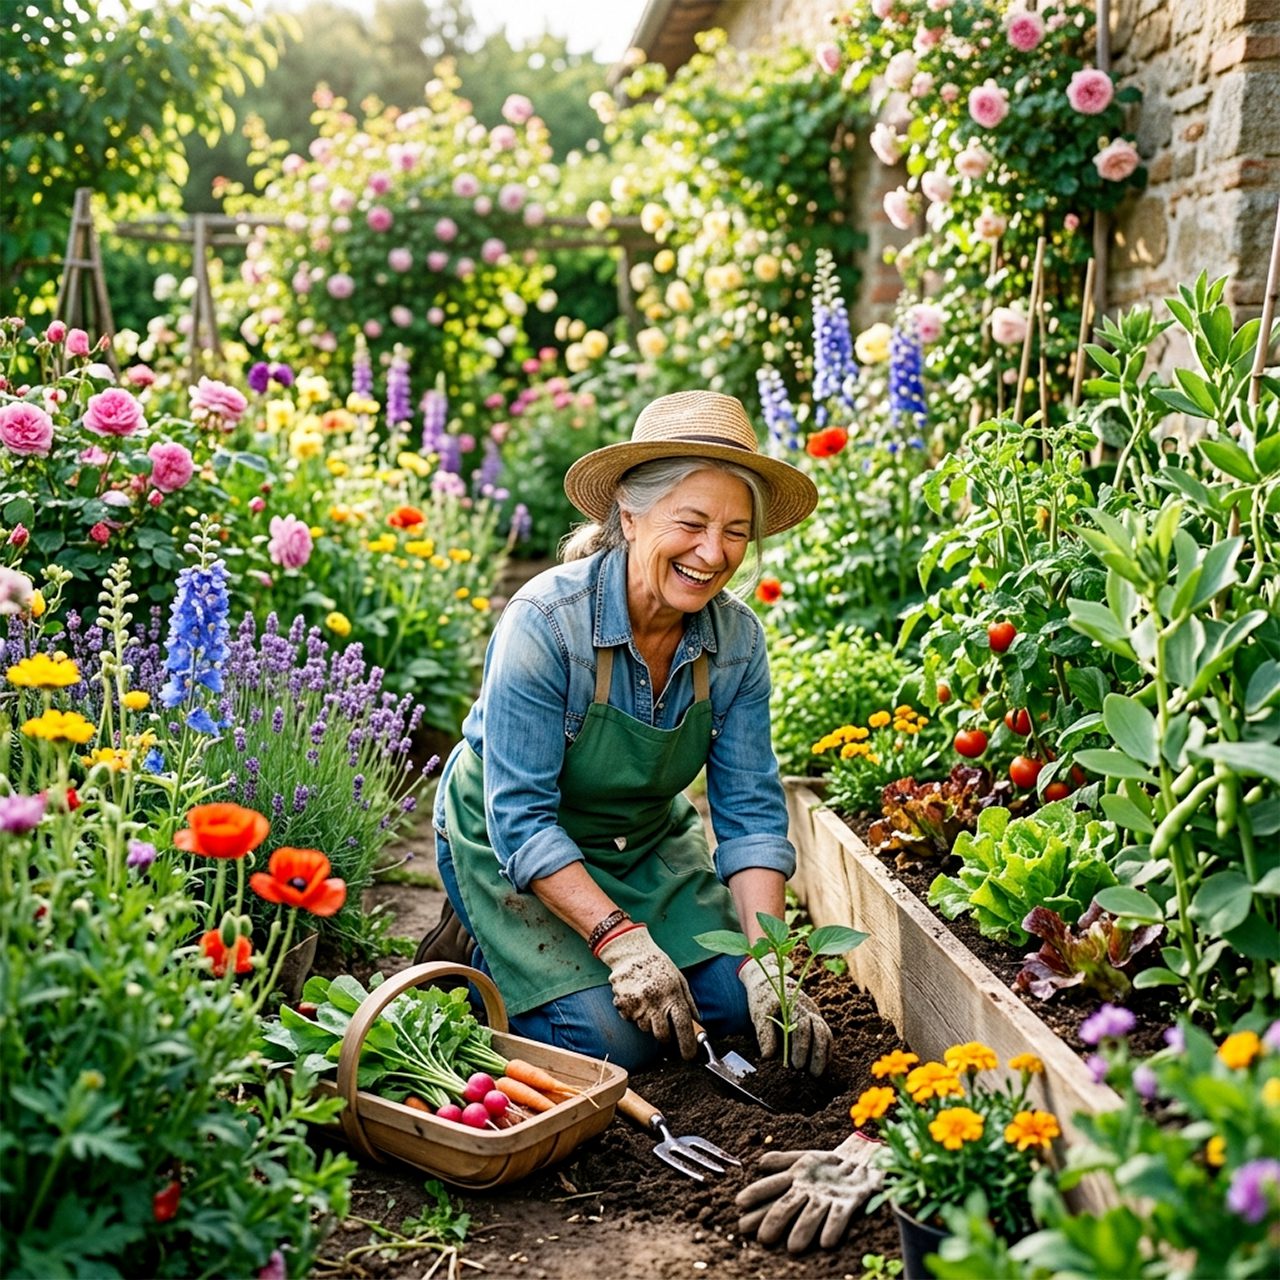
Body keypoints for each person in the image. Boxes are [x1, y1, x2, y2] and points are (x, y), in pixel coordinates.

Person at [418, 389, 833, 1074]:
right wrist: (622, 942)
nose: (713, 552)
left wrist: (770, 965)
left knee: (734, 1010)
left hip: (637, 844)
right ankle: (476, 944)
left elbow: (751, 812)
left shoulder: (734, 642)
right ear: (631, 517)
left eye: (735, 531)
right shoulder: (546, 623)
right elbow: (519, 817)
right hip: (509, 842)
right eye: (692, 522)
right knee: (615, 1042)